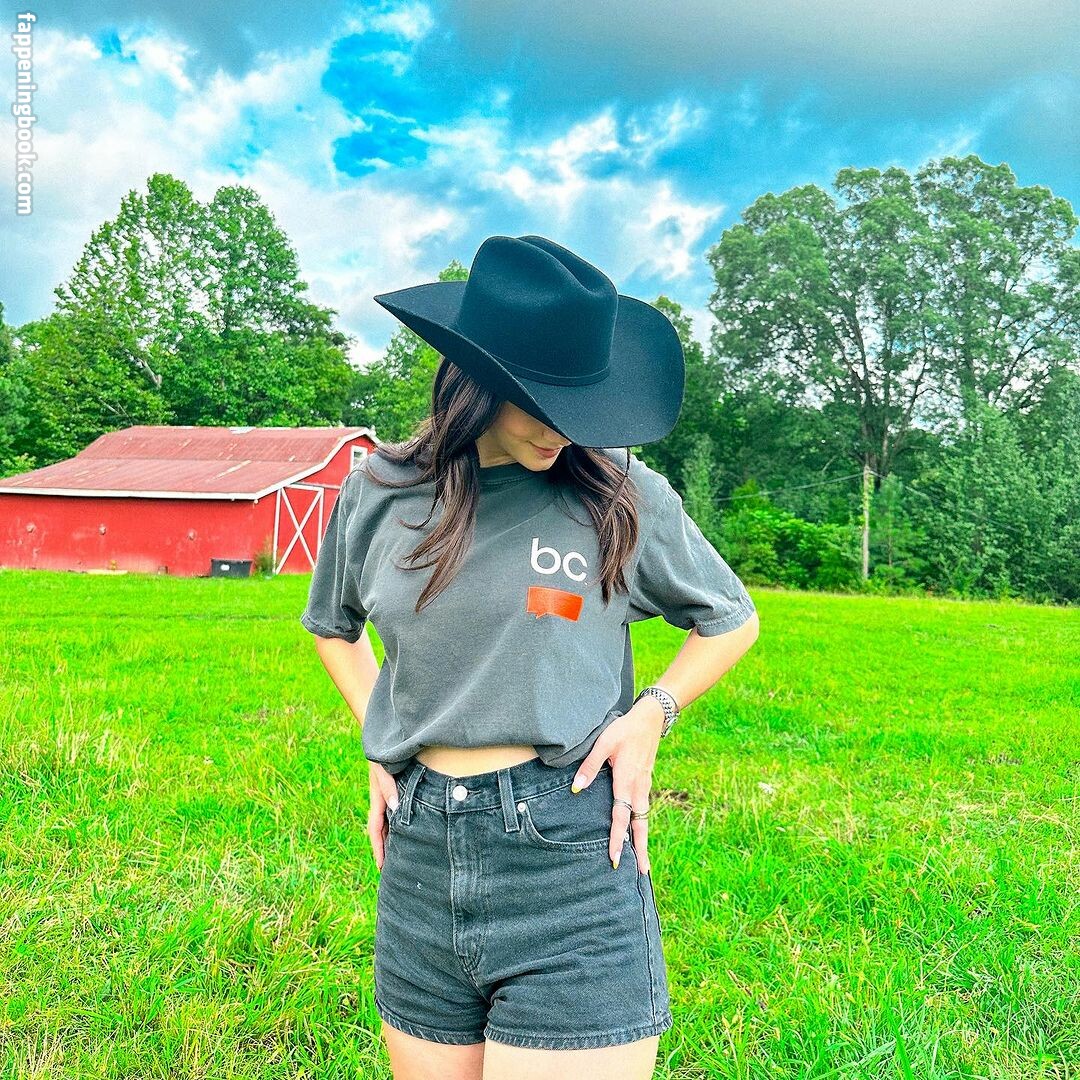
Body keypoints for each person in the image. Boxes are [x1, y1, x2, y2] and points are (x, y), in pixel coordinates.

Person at [300, 235, 759, 1079]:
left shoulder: (618, 494)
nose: (567, 430)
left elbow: (730, 619)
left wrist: (652, 715)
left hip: (570, 853)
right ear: (478, 384)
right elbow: (334, 625)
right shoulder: (379, 490)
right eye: (542, 404)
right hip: (420, 857)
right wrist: (383, 737)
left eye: (582, 406)